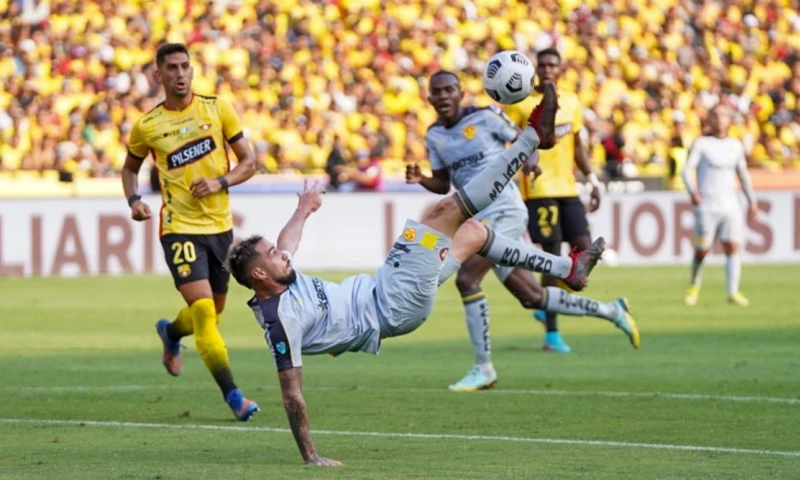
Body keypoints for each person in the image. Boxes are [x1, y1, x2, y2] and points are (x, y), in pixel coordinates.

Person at [226, 86, 639, 465]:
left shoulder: (282, 276)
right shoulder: (280, 320)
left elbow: (288, 242)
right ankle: (532, 137)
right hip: (390, 303)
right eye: (272, 255)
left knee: (472, 233)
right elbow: (292, 393)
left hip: (387, 290)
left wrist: (303, 210)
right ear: (259, 273)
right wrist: (311, 456)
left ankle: (568, 269)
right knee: (445, 211)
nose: (282, 254)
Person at [407, 71, 638, 392]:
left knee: (467, 279)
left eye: (449, 90)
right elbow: (443, 182)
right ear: (429, 98)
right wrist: (422, 179)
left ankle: (483, 367)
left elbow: (526, 138)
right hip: (477, 220)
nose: (444, 96)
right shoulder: (434, 136)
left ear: (461, 93)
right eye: (438, 92)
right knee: (532, 297)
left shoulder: (487, 117)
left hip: (505, 211)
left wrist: (529, 162)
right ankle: (612, 310)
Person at [120, 43, 259, 421]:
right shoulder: (148, 125)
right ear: (158, 75)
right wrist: (134, 199)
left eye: (185, 66)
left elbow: (249, 163)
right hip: (178, 229)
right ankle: (234, 396)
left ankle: (171, 333)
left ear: (192, 71)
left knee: (212, 314)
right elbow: (129, 168)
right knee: (203, 310)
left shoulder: (218, 109)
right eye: (172, 68)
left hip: (220, 229)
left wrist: (220, 182)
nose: (180, 73)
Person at [507, 48, 602, 354]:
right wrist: (524, 164)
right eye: (543, 65)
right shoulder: (521, 102)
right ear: (536, 69)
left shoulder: (571, 101)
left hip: (568, 188)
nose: (548, 69)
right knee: (552, 254)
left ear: (560, 69)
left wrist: (593, 180)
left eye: (552, 65)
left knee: (584, 250)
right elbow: (512, 143)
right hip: (539, 189)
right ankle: (552, 334)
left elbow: (577, 146)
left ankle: (546, 301)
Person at [682, 103, 758, 306]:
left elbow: (743, 175)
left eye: (723, 115)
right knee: (702, 249)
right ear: (709, 119)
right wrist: (692, 191)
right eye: (715, 115)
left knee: (732, 246)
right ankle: (694, 286)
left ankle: (732, 291)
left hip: (731, 205)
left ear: (729, 120)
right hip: (707, 205)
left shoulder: (735, 145)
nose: (719, 119)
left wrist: (752, 201)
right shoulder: (702, 143)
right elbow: (687, 170)